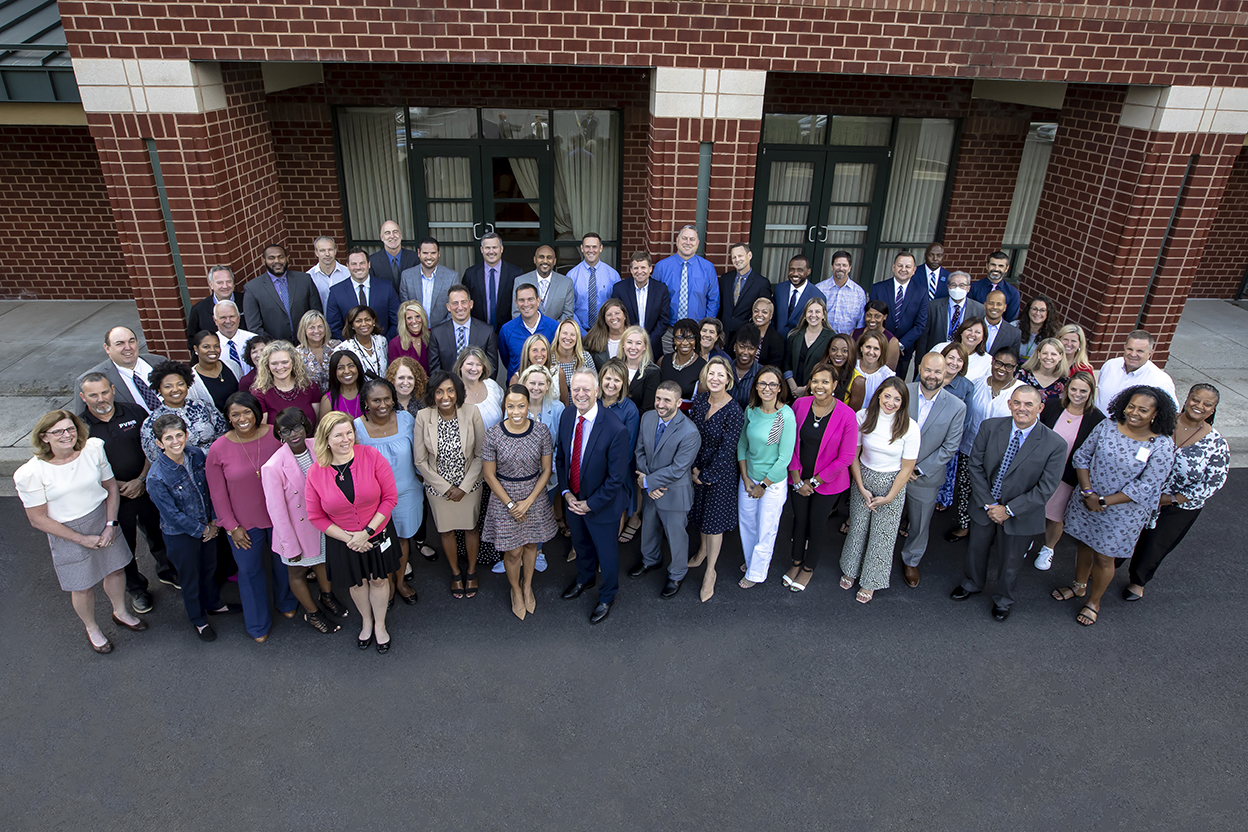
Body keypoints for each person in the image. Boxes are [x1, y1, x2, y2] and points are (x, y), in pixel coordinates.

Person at [15, 410, 148, 653]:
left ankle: (120, 612)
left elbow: (110, 487)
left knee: (116, 570)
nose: (66, 435)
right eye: (58, 431)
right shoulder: (30, 473)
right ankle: (92, 628)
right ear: (44, 437)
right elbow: (37, 519)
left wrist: (110, 525)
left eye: (70, 429)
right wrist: (81, 538)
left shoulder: (93, 448)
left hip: (101, 518)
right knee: (82, 585)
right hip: (66, 531)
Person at [1053, 386, 1177, 626]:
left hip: (1123, 513)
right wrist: (1088, 492)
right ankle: (1078, 587)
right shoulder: (1108, 425)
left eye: (1143, 410)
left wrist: (1103, 501)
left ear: (1155, 414)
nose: (1134, 413)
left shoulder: (1161, 445)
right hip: (1088, 499)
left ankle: (1093, 602)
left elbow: (1147, 486)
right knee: (1085, 543)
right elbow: (1082, 456)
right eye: (1131, 406)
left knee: (1104, 556)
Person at [950, 385, 1066, 620]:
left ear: (1040, 408)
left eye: (1029, 404)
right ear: (1010, 404)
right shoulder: (990, 427)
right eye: (1017, 403)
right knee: (976, 550)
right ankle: (972, 583)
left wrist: (1009, 510)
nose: (1021, 408)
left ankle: (1003, 599)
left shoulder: (1055, 444)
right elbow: (975, 465)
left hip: (1021, 513)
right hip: (986, 505)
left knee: (1011, 561)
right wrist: (991, 504)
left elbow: (1045, 488)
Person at [205, 391, 297, 643]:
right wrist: (231, 526)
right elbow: (217, 494)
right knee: (249, 572)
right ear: (228, 418)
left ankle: (286, 601)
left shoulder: (275, 434)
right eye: (235, 414)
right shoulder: (218, 449)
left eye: (247, 412)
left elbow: (290, 472)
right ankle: (258, 623)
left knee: (284, 564)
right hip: (243, 524)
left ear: (257, 412)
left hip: (279, 517)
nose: (242, 418)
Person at [305, 412, 400, 653]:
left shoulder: (371, 456)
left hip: (377, 532)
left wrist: (366, 532)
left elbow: (390, 498)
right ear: (326, 439)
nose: (346, 439)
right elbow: (316, 516)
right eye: (338, 435)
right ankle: (366, 622)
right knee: (357, 584)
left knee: (378, 580)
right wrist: (351, 538)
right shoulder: (315, 472)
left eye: (349, 433)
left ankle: (380, 625)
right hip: (343, 541)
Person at [1126, 384, 1230, 601]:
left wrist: (1172, 499)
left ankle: (1138, 581)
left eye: (1207, 404)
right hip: (1139, 494)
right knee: (1124, 532)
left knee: (1154, 544)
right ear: (1187, 399)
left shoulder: (1216, 443)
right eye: (1195, 399)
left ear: (1212, 410)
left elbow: (1214, 481)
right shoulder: (1160, 421)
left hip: (1178, 506)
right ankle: (1104, 567)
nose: (1199, 406)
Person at [79, 373, 174, 608]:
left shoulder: (134, 412)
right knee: (124, 547)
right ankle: (137, 589)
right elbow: (81, 466)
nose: (101, 399)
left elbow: (152, 448)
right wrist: (114, 487)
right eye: (93, 395)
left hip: (147, 488)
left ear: (112, 389)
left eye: (104, 392)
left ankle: (168, 571)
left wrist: (141, 479)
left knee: (159, 533)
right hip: (113, 499)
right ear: (83, 397)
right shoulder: (79, 427)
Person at [145, 414, 233, 641]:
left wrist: (213, 520)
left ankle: (213, 603)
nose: (175, 442)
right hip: (181, 536)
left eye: (179, 435)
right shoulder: (156, 476)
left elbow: (211, 489)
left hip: (208, 525)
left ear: (186, 435)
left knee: (209, 568)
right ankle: (198, 619)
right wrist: (203, 530)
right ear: (159, 443)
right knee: (190, 577)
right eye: (168, 438)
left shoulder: (196, 455)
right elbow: (171, 515)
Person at [261, 408, 347, 634]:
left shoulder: (317, 447)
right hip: (296, 531)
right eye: (286, 430)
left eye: (297, 426)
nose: (293, 434)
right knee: (297, 572)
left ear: (305, 425)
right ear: (279, 435)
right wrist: (289, 545)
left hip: (323, 523)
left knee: (322, 562)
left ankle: (327, 597)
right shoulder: (272, 467)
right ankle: (313, 613)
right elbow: (277, 512)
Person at [557, 369, 631, 624]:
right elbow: (562, 458)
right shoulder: (567, 415)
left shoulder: (615, 429)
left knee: (607, 553)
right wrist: (566, 492)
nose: (580, 394)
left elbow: (616, 479)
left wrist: (591, 504)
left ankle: (607, 595)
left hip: (602, 506)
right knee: (581, 545)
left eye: (586, 389)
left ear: (597, 391)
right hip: (573, 500)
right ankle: (585, 579)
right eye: (576, 389)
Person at [481, 385, 558, 620]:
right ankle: (515, 589)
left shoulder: (541, 431)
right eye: (511, 406)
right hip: (504, 496)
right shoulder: (493, 434)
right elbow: (489, 475)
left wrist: (528, 502)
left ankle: (527, 585)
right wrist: (511, 505)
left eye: (521, 406)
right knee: (513, 551)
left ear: (528, 406)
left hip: (533, 495)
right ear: (505, 406)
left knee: (532, 545)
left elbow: (546, 471)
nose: (516, 411)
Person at [840, 378, 919, 604]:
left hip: (892, 482)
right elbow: (853, 455)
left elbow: (907, 468)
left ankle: (871, 581)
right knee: (858, 527)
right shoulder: (863, 417)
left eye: (897, 399)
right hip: (863, 476)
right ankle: (850, 569)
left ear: (903, 402)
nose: (891, 402)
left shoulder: (910, 427)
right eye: (887, 396)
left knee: (882, 536)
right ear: (879, 395)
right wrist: (861, 486)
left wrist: (890, 496)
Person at [414, 372, 486, 599]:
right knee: (445, 531)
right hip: (438, 488)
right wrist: (446, 488)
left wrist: (463, 487)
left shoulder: (472, 412)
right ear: (432, 395)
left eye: (450, 390)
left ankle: (472, 571)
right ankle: (456, 572)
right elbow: (420, 460)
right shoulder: (423, 417)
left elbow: (481, 454)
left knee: (470, 528)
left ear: (458, 392)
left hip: (470, 486)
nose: (445, 396)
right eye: (439, 391)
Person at [785, 364, 857, 591]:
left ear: (835, 385)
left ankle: (808, 568)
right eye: (815, 381)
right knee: (799, 521)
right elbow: (791, 443)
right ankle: (796, 562)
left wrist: (813, 482)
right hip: (798, 477)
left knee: (816, 525)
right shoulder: (800, 404)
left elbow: (846, 458)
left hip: (828, 483)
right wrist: (797, 479)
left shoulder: (847, 415)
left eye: (825, 382)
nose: (819, 386)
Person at [898, 353, 966, 588]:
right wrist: (902, 465)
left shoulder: (957, 406)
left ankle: (911, 560)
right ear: (919, 368)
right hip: (894, 468)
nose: (932, 376)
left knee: (919, 523)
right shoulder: (903, 391)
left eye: (938, 372)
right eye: (928, 370)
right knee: (884, 515)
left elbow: (950, 447)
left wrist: (918, 469)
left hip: (925, 475)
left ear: (946, 373)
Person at [945, 345, 1025, 543]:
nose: (1002, 368)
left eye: (1008, 365)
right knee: (965, 487)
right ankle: (965, 524)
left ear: (1015, 368)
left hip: (1001, 454)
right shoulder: (977, 385)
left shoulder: (1020, 392)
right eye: (999, 363)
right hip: (969, 447)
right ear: (992, 362)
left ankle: (986, 529)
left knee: (992, 491)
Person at [629, 380, 702, 597]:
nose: (661, 404)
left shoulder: (690, 432)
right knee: (649, 527)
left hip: (673, 493)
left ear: (679, 402)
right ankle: (650, 560)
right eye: (658, 398)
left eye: (667, 400)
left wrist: (648, 482)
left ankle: (677, 574)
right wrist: (647, 482)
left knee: (676, 536)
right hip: (650, 489)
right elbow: (639, 451)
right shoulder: (648, 417)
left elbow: (679, 469)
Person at [355, 378, 423, 606]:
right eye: (376, 400)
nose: (382, 405)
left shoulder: (406, 420)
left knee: (403, 540)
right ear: (366, 402)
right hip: (373, 500)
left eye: (386, 399)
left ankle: (400, 582)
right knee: (379, 542)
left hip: (406, 493)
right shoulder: (356, 428)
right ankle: (386, 584)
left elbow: (419, 453)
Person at [685, 357, 745, 602]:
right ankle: (701, 552)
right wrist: (693, 468)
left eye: (720, 375)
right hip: (696, 467)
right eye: (711, 374)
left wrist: (705, 476)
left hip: (720, 474)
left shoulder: (734, 410)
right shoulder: (699, 401)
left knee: (714, 524)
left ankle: (711, 571)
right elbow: (690, 435)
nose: (715, 379)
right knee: (700, 516)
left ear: (728, 379)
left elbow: (727, 449)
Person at [1035, 371, 1105, 571]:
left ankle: (1048, 548)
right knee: (1032, 508)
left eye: (1083, 390)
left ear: (1091, 392)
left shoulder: (1096, 419)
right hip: (1041, 470)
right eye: (1073, 389)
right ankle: (1024, 541)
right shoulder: (1052, 406)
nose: (1077, 394)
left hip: (1066, 476)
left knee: (1055, 515)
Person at [736, 367, 796, 589]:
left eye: (772, 384)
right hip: (748, 478)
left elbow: (784, 458)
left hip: (771, 483)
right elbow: (742, 444)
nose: (767, 388)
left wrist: (763, 485)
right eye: (762, 383)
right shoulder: (751, 410)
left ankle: (757, 573)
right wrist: (744, 476)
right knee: (747, 524)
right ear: (756, 386)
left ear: (780, 388)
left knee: (766, 528)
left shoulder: (785, 416)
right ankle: (752, 561)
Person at [520, 363, 565, 567]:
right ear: (524, 384)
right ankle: (516, 553)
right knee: (521, 514)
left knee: (540, 513)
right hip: (521, 473)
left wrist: (548, 468)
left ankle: (537, 552)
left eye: (541, 383)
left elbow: (562, 443)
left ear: (548, 385)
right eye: (532, 383)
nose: (536, 387)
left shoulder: (557, 408)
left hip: (549, 473)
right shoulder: (516, 405)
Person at [139, 361, 227, 463]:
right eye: (168, 386)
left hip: (217, 463)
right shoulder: (151, 423)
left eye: (180, 384)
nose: (175, 389)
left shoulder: (203, 406)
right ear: (159, 389)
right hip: (184, 475)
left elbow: (223, 434)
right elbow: (156, 459)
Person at [76, 325, 171, 416]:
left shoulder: (159, 362)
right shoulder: (89, 380)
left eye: (131, 341)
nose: (128, 347)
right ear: (107, 348)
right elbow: (82, 422)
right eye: (120, 344)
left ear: (137, 342)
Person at [654, 225, 719, 348]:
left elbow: (713, 299)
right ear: (677, 240)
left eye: (692, 239)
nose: (688, 242)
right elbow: (654, 300)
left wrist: (705, 328)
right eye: (684, 238)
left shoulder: (707, 268)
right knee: (667, 364)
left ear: (698, 243)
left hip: (697, 332)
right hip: (668, 331)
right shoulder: (661, 267)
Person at [243, 243, 323, 343]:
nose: (277, 261)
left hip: (307, 344)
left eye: (281, 257)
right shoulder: (252, 288)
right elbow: (254, 327)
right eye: (271, 258)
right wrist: (274, 345)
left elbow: (316, 313)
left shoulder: (304, 280)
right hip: (275, 349)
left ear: (287, 258)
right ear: (263, 260)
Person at [598, 359, 641, 541]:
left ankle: (607, 550)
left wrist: (611, 470)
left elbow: (628, 448)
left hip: (616, 470)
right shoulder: (592, 402)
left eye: (617, 380)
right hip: (592, 468)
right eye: (608, 378)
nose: (611, 384)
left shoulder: (629, 410)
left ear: (624, 383)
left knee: (615, 510)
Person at [867, 250, 928, 379]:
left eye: (907, 266)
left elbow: (920, 325)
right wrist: (881, 343)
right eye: (900, 265)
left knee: (896, 386)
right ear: (893, 266)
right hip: (877, 347)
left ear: (914, 270)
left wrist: (898, 345)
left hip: (904, 351)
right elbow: (872, 319)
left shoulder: (921, 292)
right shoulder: (878, 288)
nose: (903, 269)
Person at [1094, 329, 1178, 412]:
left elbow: (1171, 412)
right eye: (1130, 349)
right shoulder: (1110, 365)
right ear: (1124, 348)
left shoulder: (1161, 382)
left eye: (1140, 351)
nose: (1133, 354)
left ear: (1150, 353)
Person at [327, 247, 399, 340]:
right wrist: (352, 346)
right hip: (351, 350)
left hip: (383, 347)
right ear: (347, 266)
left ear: (369, 264)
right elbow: (334, 327)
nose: (358, 267)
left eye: (362, 263)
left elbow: (396, 320)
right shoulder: (336, 292)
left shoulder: (386, 287)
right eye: (354, 264)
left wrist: (383, 343)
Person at [935, 343, 975, 511]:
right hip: (923, 435)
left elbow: (966, 419)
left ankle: (938, 501)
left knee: (940, 475)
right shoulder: (930, 375)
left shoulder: (966, 386)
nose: (954, 362)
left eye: (960, 360)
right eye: (951, 357)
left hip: (947, 440)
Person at [427, 284, 501, 374]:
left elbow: (491, 368)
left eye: (463, 302)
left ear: (471, 304)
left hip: (478, 385)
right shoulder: (437, 333)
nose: (460, 307)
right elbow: (435, 370)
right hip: (449, 386)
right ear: (448, 307)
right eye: (455, 303)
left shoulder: (487, 331)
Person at [611, 251, 671, 359]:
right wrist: (632, 341)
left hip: (653, 347)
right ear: (631, 270)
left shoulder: (661, 290)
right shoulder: (619, 289)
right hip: (627, 346)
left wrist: (646, 342)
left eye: (643, 268)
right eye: (636, 268)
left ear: (650, 269)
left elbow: (663, 320)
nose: (639, 271)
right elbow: (617, 319)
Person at [464, 232, 523, 332]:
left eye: (494, 247)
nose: (491, 251)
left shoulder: (516, 273)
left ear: (501, 249)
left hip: (508, 330)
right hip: (478, 331)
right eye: (487, 248)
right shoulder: (470, 274)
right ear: (481, 250)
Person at [250, 341, 321, 426]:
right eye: (274, 363)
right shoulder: (260, 393)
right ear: (267, 365)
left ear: (293, 362)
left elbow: (318, 424)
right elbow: (262, 429)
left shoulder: (309, 386)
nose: (279, 367)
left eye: (284, 362)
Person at [918, 270, 984, 357]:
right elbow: (923, 338)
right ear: (948, 287)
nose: (957, 288)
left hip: (964, 357)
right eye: (953, 285)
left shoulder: (979, 309)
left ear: (968, 288)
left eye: (962, 285)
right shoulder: (933, 306)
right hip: (937, 355)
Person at [499, 283, 558, 379]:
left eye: (530, 299)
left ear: (538, 300)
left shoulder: (554, 327)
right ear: (516, 303)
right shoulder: (506, 330)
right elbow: (507, 360)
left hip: (546, 386)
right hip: (517, 388)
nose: (526, 304)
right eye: (521, 300)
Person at [568, 232, 622, 334]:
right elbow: (569, 309)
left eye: (594, 247)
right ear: (582, 248)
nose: (591, 250)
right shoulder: (572, 276)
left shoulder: (613, 275)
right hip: (579, 331)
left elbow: (617, 306)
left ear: (601, 248)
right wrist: (582, 333)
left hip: (606, 330)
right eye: (587, 247)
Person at [398, 236, 458, 327]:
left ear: (439, 253)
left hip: (443, 332)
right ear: (419, 253)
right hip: (414, 331)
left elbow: (455, 308)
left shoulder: (452, 277)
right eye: (425, 253)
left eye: (433, 253)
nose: (429, 257)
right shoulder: (407, 276)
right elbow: (405, 308)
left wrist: (439, 331)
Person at [186, 264, 246, 348]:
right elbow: (193, 340)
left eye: (228, 281)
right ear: (211, 284)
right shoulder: (199, 309)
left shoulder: (246, 301)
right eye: (219, 283)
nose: (225, 286)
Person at [784, 297, 833, 399]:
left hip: (816, 393)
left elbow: (830, 367)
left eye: (817, 312)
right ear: (805, 315)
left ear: (823, 315)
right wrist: (794, 387)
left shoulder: (831, 337)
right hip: (791, 391)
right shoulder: (794, 335)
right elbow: (786, 363)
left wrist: (806, 388)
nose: (813, 315)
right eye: (810, 311)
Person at [513, 244, 575, 323]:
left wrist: (551, 329)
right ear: (535, 260)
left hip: (555, 332)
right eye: (541, 257)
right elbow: (516, 313)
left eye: (549, 257)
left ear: (554, 261)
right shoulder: (520, 281)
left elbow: (568, 314)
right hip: (528, 333)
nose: (545, 261)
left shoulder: (566, 283)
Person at [719, 242, 770, 334]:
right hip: (724, 332)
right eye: (734, 257)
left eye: (740, 256)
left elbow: (764, 312)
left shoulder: (762, 283)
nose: (737, 260)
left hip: (746, 333)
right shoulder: (725, 279)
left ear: (749, 255)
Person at [816, 250, 867, 335]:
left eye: (844, 265)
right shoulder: (819, 289)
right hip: (821, 339)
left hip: (847, 341)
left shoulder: (859, 293)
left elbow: (861, 323)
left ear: (850, 268)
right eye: (837, 265)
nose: (841, 268)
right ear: (832, 267)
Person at [658, 318, 706, 407]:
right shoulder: (663, 361)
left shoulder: (703, 367)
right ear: (674, 339)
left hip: (687, 416)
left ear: (696, 340)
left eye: (690, 338)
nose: (685, 343)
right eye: (679, 338)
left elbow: (702, 403)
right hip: (661, 412)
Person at [331, 305, 388, 380]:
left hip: (384, 389)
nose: (364, 324)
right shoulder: (343, 348)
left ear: (373, 321)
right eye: (358, 321)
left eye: (367, 320)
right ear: (352, 325)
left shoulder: (382, 341)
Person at [190, 330, 239, 415]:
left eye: (216, 346)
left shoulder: (232, 365)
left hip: (242, 421)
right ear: (196, 349)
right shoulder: (192, 379)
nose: (212, 350)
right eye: (206, 347)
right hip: (214, 426)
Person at [773, 254, 823, 339]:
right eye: (792, 269)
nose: (795, 274)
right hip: (777, 342)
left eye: (800, 270)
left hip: (800, 345)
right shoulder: (780, 288)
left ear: (808, 271)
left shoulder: (817, 295)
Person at [930, 317, 991, 384]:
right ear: (961, 332)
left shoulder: (988, 361)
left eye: (977, 332)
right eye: (969, 330)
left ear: (983, 337)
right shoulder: (940, 348)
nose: (972, 334)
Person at [967, 250, 1021, 323]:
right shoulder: (973, 288)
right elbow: (968, 313)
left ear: (1007, 268)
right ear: (987, 266)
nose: (996, 269)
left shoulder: (1013, 293)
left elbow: (1010, 321)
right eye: (993, 265)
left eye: (1000, 266)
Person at [294, 310, 341, 393]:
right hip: (311, 400)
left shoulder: (337, 346)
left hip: (337, 396)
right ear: (304, 330)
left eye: (320, 326)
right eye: (311, 327)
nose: (316, 331)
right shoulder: (296, 354)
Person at [852, 300, 902, 371]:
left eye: (877, 316)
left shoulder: (892, 341)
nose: (872, 320)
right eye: (869, 315)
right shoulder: (855, 334)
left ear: (885, 317)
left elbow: (890, 369)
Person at [369, 219, 419, 289]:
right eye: (387, 233)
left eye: (395, 232)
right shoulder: (372, 262)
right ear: (381, 237)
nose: (392, 236)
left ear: (401, 235)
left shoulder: (415, 258)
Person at [620, 325, 659, 413]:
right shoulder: (614, 365)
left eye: (638, 343)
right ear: (623, 344)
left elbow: (648, 408)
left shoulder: (653, 372)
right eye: (629, 342)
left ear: (644, 346)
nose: (633, 347)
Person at [552, 318, 596, 395]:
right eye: (565, 333)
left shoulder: (585, 357)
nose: (568, 337)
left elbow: (595, 384)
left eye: (572, 334)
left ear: (577, 338)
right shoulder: (549, 358)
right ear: (558, 335)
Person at [1015, 337, 1068, 402]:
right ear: (1039, 354)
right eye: (1045, 353)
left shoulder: (1065, 383)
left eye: (1053, 354)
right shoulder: (1023, 375)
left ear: (1061, 356)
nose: (1048, 357)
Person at [213, 300, 257, 378]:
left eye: (232, 316)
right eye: (223, 317)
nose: (228, 321)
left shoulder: (253, 339)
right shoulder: (211, 345)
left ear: (238, 317)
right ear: (215, 320)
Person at [584, 298, 631, 370]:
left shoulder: (636, 336)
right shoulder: (593, 340)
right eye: (609, 315)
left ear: (624, 315)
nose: (613, 317)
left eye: (617, 313)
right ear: (604, 319)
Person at [307, 235, 350, 311]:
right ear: (316, 253)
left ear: (335, 250)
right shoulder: (309, 277)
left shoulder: (348, 273)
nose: (327, 254)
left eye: (330, 249)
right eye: (322, 250)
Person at [854, 331, 896, 407]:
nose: (871, 352)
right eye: (868, 347)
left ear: (882, 351)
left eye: (876, 349)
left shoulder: (887, 376)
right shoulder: (851, 366)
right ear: (861, 348)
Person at [388, 300, 431, 373]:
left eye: (417, 316)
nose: (414, 321)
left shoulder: (432, 336)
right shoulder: (395, 344)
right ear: (404, 320)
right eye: (409, 318)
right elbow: (394, 373)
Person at [319, 350, 364, 419]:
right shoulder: (327, 400)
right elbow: (323, 429)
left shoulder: (370, 392)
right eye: (341, 368)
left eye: (351, 366)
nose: (347, 371)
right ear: (334, 372)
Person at [823, 332, 863, 410]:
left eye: (844, 351)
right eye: (834, 349)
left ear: (851, 352)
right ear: (828, 351)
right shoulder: (820, 370)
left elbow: (851, 415)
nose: (838, 354)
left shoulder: (858, 381)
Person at [743, 296, 785, 368]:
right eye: (756, 311)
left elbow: (774, 367)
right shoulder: (744, 331)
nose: (759, 314)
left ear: (770, 316)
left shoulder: (776, 339)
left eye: (764, 312)